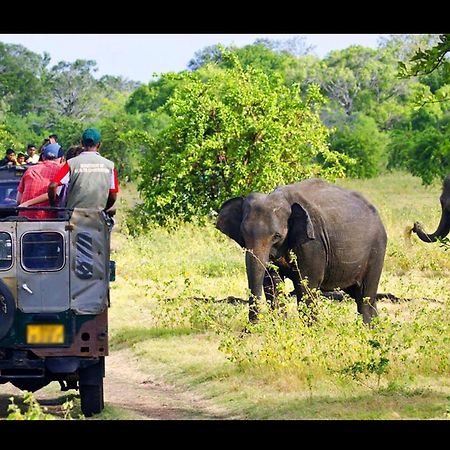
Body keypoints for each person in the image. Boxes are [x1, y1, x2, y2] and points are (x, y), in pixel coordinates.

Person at [48, 128, 118, 212]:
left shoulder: (71, 163)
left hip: (74, 216)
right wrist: (104, 209)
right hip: (97, 216)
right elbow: (113, 195)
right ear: (99, 145)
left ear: (82, 143)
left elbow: (52, 186)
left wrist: (53, 205)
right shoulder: (110, 165)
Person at [17, 143, 63, 219]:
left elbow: (19, 200)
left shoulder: (30, 170)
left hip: (24, 218)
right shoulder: (62, 171)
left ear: (43, 157)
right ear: (62, 158)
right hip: (48, 220)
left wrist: (27, 203)